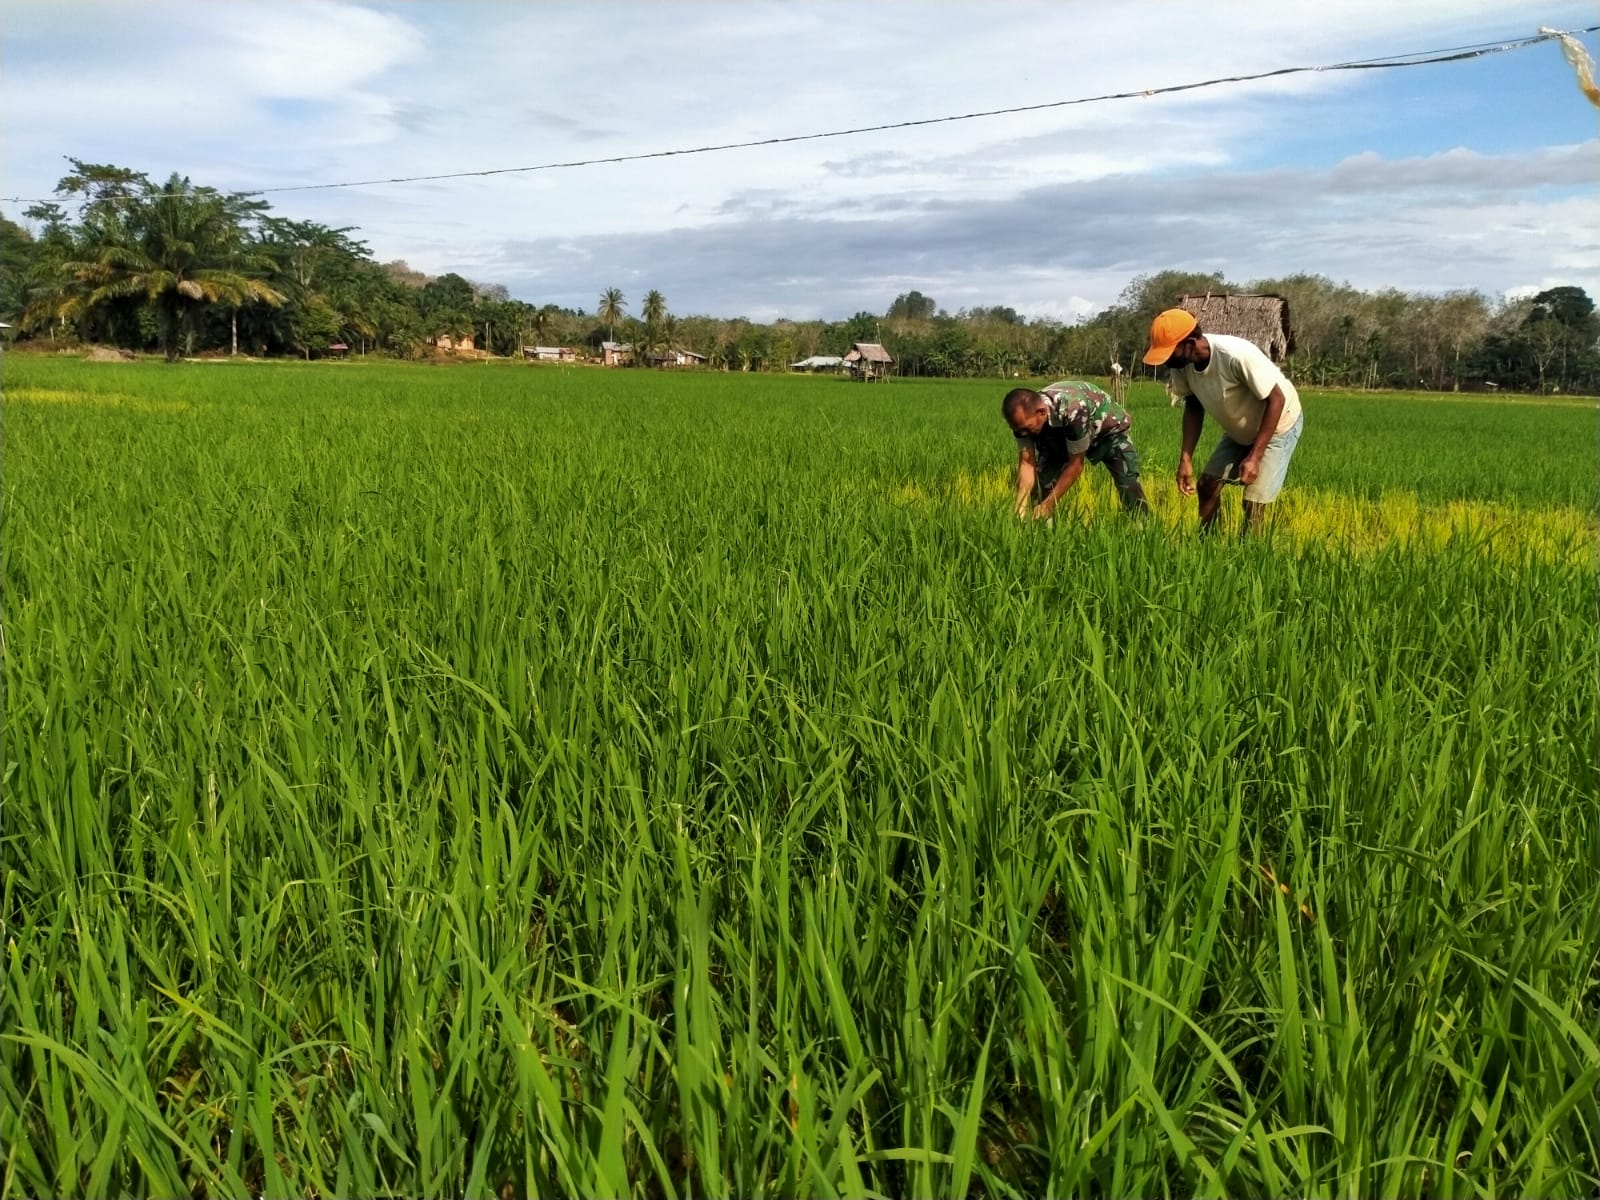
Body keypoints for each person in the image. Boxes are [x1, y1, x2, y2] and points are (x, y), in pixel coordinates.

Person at [1143, 308, 1304, 534]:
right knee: (1207, 485)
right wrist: (1185, 459)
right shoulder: (1182, 366)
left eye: (1171, 353)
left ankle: (1251, 556)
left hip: (1279, 424)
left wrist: (1255, 457)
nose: (1167, 361)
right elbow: (1193, 406)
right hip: (1240, 431)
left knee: (1253, 502)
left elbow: (1276, 400)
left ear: (1190, 343)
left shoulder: (1235, 355)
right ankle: (1208, 545)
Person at [1002, 379, 1148, 520]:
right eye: (1019, 431)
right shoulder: (1022, 423)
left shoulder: (1073, 408)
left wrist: (1048, 505)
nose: (1023, 434)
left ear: (1041, 412)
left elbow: (1076, 465)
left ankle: (1143, 525)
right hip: (1058, 432)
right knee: (1042, 486)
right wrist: (1020, 509)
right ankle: (1044, 530)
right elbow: (1027, 464)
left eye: (1026, 429)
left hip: (1107, 431)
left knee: (1127, 482)